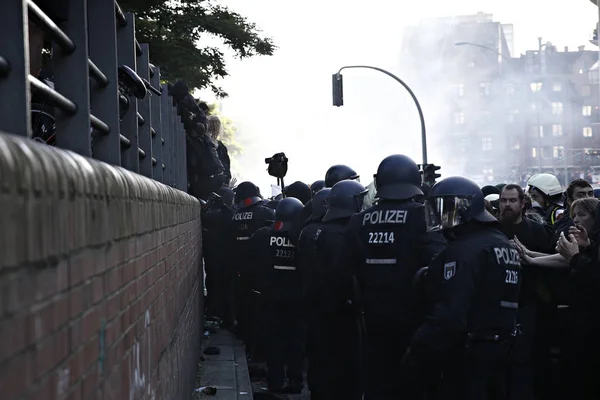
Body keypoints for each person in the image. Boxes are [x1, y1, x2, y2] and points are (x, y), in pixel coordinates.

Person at [400, 177, 521, 400]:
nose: (440, 218)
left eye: (444, 210)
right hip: (501, 348)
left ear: (462, 210)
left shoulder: (463, 251)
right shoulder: (501, 242)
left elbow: (450, 315)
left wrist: (417, 349)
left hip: (469, 353)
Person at [337, 154, 446, 400]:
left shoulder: (358, 220)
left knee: (378, 384)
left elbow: (344, 271)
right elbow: (440, 264)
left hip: (373, 319)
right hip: (416, 320)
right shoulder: (426, 214)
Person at [307, 180, 368, 400]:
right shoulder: (342, 234)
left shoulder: (319, 230)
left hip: (319, 310)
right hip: (340, 313)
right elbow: (343, 275)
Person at [250, 197, 306, 393]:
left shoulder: (261, 236)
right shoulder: (302, 237)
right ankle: (295, 381)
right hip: (297, 300)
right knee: (296, 341)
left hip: (269, 298)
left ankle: (275, 380)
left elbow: (252, 265)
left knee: (273, 340)